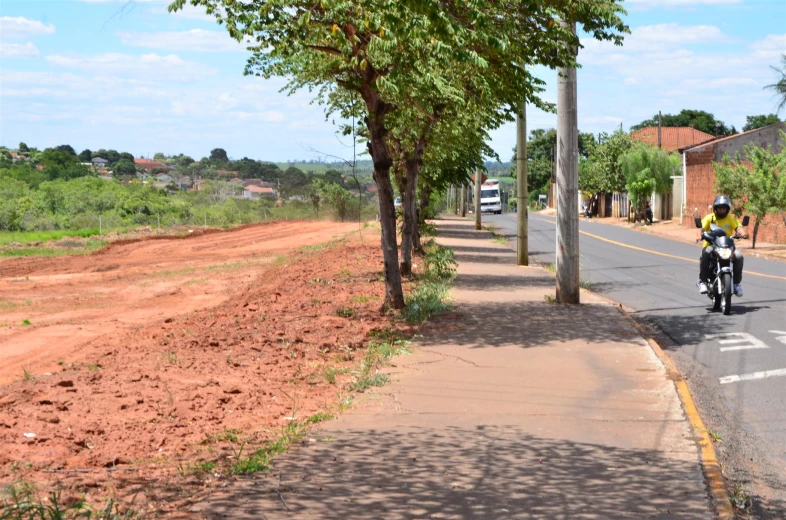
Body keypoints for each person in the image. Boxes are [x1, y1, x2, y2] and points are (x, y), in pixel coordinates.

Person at [697, 195, 748, 296]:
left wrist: (743, 233)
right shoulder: (709, 218)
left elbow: (738, 228)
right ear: (716, 208)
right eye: (720, 208)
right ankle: (703, 282)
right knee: (705, 254)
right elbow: (700, 228)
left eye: (724, 208)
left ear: (727, 209)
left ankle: (736, 284)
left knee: (739, 256)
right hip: (711, 244)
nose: (722, 210)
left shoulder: (730, 218)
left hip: (726, 246)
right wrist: (699, 236)